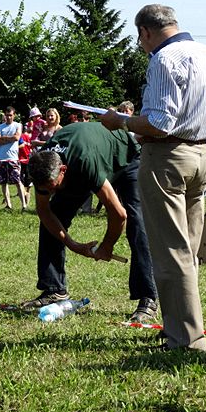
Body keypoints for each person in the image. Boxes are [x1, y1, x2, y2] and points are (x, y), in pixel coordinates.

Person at [100, 4, 206, 351]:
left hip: (168, 157)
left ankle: (185, 339)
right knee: (186, 249)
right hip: (202, 156)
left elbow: (158, 122)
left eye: (139, 38)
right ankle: (181, 326)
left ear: (144, 31)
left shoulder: (164, 60)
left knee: (171, 250)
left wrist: (122, 121)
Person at [25, 122, 159, 322]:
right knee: (52, 219)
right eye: (45, 189)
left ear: (63, 170)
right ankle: (54, 290)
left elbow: (118, 214)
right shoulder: (42, 165)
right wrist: (73, 245)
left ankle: (148, 296)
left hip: (124, 158)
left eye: (52, 187)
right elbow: (44, 211)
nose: (49, 192)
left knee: (137, 222)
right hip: (81, 166)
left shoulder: (85, 161)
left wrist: (107, 246)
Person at [0, 106, 27, 212]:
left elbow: (17, 138)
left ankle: (24, 205)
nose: (8, 117)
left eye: (10, 115)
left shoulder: (18, 125)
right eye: (7, 115)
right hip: (0, 158)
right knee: (3, 182)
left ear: (14, 115)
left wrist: (4, 138)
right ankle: (8, 205)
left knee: (18, 181)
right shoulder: (0, 127)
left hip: (13, 158)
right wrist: (10, 139)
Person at [18, 123, 33, 208]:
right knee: (28, 183)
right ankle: (26, 202)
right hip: (27, 160)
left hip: (22, 161)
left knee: (21, 181)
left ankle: (25, 200)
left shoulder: (21, 136)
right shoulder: (29, 137)